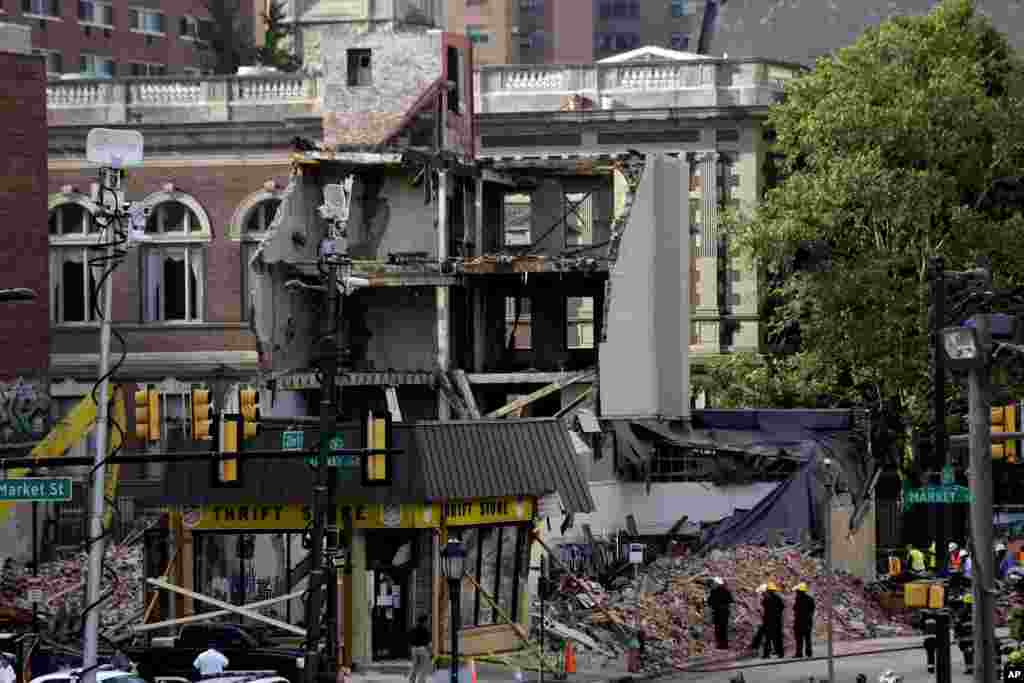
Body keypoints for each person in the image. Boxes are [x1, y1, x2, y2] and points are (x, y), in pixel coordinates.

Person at [708, 577, 734, 649]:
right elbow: (731, 601)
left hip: (717, 612)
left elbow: (710, 602)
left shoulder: (713, 591)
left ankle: (720, 645)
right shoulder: (726, 591)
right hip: (725, 612)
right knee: (723, 629)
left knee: (718, 629)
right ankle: (725, 645)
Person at [762, 582, 785, 659]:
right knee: (778, 637)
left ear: (768, 590)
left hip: (769, 621)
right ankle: (780, 653)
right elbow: (782, 607)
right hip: (777, 620)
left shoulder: (766, 598)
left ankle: (766, 654)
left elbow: (763, 606)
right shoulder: (778, 598)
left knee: (768, 638)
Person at [792, 583, 815, 658]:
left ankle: (799, 653)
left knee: (799, 639)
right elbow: (812, 609)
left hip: (799, 622)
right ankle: (809, 653)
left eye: (797, 591)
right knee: (808, 638)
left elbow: (794, 608)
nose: (796, 592)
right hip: (808, 622)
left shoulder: (798, 599)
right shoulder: (810, 599)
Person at [408, 614, 432, 683]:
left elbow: (410, 640)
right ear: (424, 621)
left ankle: (411, 680)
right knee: (423, 667)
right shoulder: (425, 630)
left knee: (414, 666)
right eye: (426, 621)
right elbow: (427, 642)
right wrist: (430, 652)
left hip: (414, 649)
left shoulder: (413, 629)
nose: (427, 623)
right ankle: (421, 681)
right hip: (423, 649)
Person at [751, 584, 767, 654]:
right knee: (760, 634)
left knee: (760, 634)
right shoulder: (760, 597)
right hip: (762, 619)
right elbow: (759, 608)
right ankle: (755, 648)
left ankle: (756, 648)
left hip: (762, 618)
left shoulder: (762, 597)